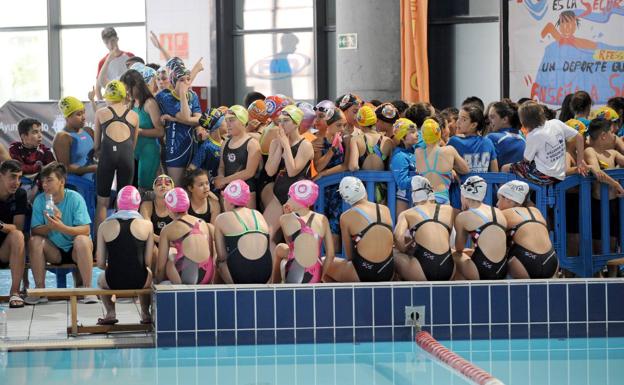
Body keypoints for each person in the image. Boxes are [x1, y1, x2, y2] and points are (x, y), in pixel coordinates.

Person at [25, 163, 95, 305]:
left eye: (49, 180)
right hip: (54, 250)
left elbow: (86, 230)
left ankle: (88, 290)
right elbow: (35, 230)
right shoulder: (40, 200)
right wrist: (50, 226)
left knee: (82, 240)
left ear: (62, 181)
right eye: (43, 181)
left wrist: (61, 227)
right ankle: (40, 290)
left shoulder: (75, 198)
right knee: (34, 241)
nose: (45, 185)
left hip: (76, 250)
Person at [96, 186, 153, 324]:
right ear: (137, 204)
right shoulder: (147, 225)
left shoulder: (104, 226)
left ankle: (110, 312)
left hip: (112, 280)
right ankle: (145, 313)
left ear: (118, 204)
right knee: (149, 273)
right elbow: (147, 261)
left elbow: (100, 264)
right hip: (140, 280)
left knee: (99, 280)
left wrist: (116, 266)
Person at [324, 176, 395, 282]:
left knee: (323, 263)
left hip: (362, 272)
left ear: (345, 198)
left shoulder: (346, 217)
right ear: (364, 190)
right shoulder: (385, 209)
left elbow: (349, 255)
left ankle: (344, 296)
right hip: (388, 272)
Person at [264, 105, 314, 251]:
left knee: (297, 242)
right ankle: (276, 271)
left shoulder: (305, 145)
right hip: (278, 197)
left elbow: (292, 171)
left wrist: (286, 145)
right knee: (264, 236)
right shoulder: (275, 142)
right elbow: (269, 171)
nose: (281, 124)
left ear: (296, 123)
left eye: (286, 121)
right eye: (280, 121)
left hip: (297, 199)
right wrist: (280, 146)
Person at [504, 101, 587, 184]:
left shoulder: (532, 135)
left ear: (523, 121)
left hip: (544, 177)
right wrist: (579, 162)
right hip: (560, 175)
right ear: (541, 113)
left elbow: (527, 160)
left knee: (506, 168)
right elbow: (579, 137)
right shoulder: (556, 123)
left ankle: (503, 196)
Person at [93, 80, 139, 231]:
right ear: (124, 95)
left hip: (107, 156)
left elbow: (96, 145)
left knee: (102, 202)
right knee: (124, 203)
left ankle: (99, 242)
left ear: (107, 96)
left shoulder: (101, 113)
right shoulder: (134, 115)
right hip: (127, 157)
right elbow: (133, 145)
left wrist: (102, 153)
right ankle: (121, 238)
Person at [393, 176, 455, 281]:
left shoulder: (407, 214)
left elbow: (397, 237)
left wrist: (404, 249)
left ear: (413, 195)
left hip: (422, 270)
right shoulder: (449, 210)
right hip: (448, 269)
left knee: (393, 254)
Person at [272, 180, 334, 283]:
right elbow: (330, 255)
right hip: (315, 276)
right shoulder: (323, 219)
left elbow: (292, 246)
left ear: (296, 198)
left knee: (282, 251)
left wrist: (286, 213)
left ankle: (274, 286)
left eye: (290, 196)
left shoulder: (284, 219)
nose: (288, 200)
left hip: (294, 276)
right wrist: (321, 276)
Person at [214, 180, 273, 284]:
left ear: (230, 201)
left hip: (240, 275)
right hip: (265, 273)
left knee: (219, 262)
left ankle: (228, 293)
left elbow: (221, 257)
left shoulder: (221, 218)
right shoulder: (258, 214)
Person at [496, 180, 558, 279]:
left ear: (507, 199)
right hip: (551, 260)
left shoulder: (503, 214)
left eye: (499, 199)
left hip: (525, 261)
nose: (497, 204)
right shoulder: (536, 211)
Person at [155, 59, 202, 185]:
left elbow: (200, 120)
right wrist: (182, 93)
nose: (186, 83)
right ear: (173, 81)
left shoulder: (193, 96)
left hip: (192, 146)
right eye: (181, 80)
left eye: (187, 79)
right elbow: (187, 117)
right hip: (175, 149)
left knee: (191, 188)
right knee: (176, 188)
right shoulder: (165, 97)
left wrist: (175, 119)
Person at [453, 176, 508, 280]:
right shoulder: (497, 212)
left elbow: (459, 249)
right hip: (502, 269)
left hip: (483, 269)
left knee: (452, 256)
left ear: (464, 194)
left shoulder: (463, 217)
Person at [157, 187, 215, 284]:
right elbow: (211, 254)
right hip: (207, 275)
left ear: (169, 208)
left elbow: (160, 267)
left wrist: (157, 282)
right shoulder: (202, 223)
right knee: (175, 254)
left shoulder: (167, 230)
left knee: (170, 262)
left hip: (187, 277)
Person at [120, 69, 164, 192]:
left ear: (137, 85)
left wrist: (139, 131)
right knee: (131, 189)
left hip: (148, 150)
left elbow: (160, 131)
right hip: (134, 151)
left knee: (145, 189)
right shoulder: (132, 103)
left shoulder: (150, 103)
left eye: (128, 88)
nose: (127, 92)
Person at [214, 106, 261, 207]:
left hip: (246, 191)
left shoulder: (252, 144)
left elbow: (249, 172)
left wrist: (224, 180)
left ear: (242, 121)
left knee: (247, 222)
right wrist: (221, 175)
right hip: (228, 191)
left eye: (231, 120)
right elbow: (222, 166)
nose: (228, 124)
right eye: (226, 121)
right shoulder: (225, 143)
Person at [415, 118, 469, 204]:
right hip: (442, 198)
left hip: (424, 201)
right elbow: (466, 169)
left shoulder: (418, 152)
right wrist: (450, 166)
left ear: (423, 136)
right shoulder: (449, 150)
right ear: (439, 134)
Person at [0, 160, 27, 308]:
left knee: (17, 236)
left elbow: (18, 227)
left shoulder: (20, 194)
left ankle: (15, 292)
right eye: (12, 177)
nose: (16, 182)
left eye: (19, 177)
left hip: (4, 251)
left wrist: (1, 226)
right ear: (1, 176)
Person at [53, 96, 97, 182]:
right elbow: (65, 168)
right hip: (76, 185)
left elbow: (98, 153)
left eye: (84, 113)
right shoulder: (62, 137)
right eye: (79, 114)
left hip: (94, 181)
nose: (83, 117)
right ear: (67, 118)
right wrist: (91, 169)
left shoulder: (89, 131)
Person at [10, 118, 56, 200]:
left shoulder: (45, 150)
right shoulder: (15, 148)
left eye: (40, 131)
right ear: (24, 136)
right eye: (35, 132)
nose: (40, 135)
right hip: (19, 187)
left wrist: (37, 184)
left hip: (40, 186)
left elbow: (53, 168)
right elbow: (19, 168)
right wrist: (39, 168)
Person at [140, 174, 175, 273]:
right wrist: (163, 241)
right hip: (153, 243)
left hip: (171, 243)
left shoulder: (176, 207)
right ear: (153, 188)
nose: (163, 186)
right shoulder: (147, 205)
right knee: (152, 248)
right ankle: (153, 279)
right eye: (159, 184)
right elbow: (147, 231)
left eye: (167, 184)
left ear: (173, 188)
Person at [448, 104, 498, 173]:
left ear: (473, 125)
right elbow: (495, 174)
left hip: (462, 184)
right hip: (485, 183)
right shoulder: (488, 142)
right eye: (458, 118)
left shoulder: (454, 142)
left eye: (463, 119)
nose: (458, 122)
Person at [190, 108, 225, 191]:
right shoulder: (206, 147)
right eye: (226, 121)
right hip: (213, 190)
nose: (229, 123)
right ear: (217, 126)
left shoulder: (227, 141)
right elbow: (191, 169)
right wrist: (205, 182)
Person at [349, 105, 392, 171]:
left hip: (364, 181)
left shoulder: (356, 140)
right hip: (383, 180)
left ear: (360, 122)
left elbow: (353, 167)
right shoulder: (388, 141)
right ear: (375, 121)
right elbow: (391, 168)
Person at [96, 27, 135, 100]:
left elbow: (137, 80)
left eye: (112, 40)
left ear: (117, 39)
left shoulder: (130, 56)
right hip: (112, 100)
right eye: (107, 42)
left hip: (129, 99)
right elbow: (98, 88)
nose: (110, 45)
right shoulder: (102, 62)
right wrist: (101, 105)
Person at [389, 118, 418, 215]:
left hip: (413, 198)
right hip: (404, 199)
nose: (417, 134)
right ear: (402, 137)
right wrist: (421, 176)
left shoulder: (414, 152)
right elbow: (401, 182)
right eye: (412, 132)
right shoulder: (399, 157)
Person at [485, 100, 525, 168]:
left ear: (505, 120)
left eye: (492, 117)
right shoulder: (523, 137)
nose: (489, 121)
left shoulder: (492, 138)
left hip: (499, 178)